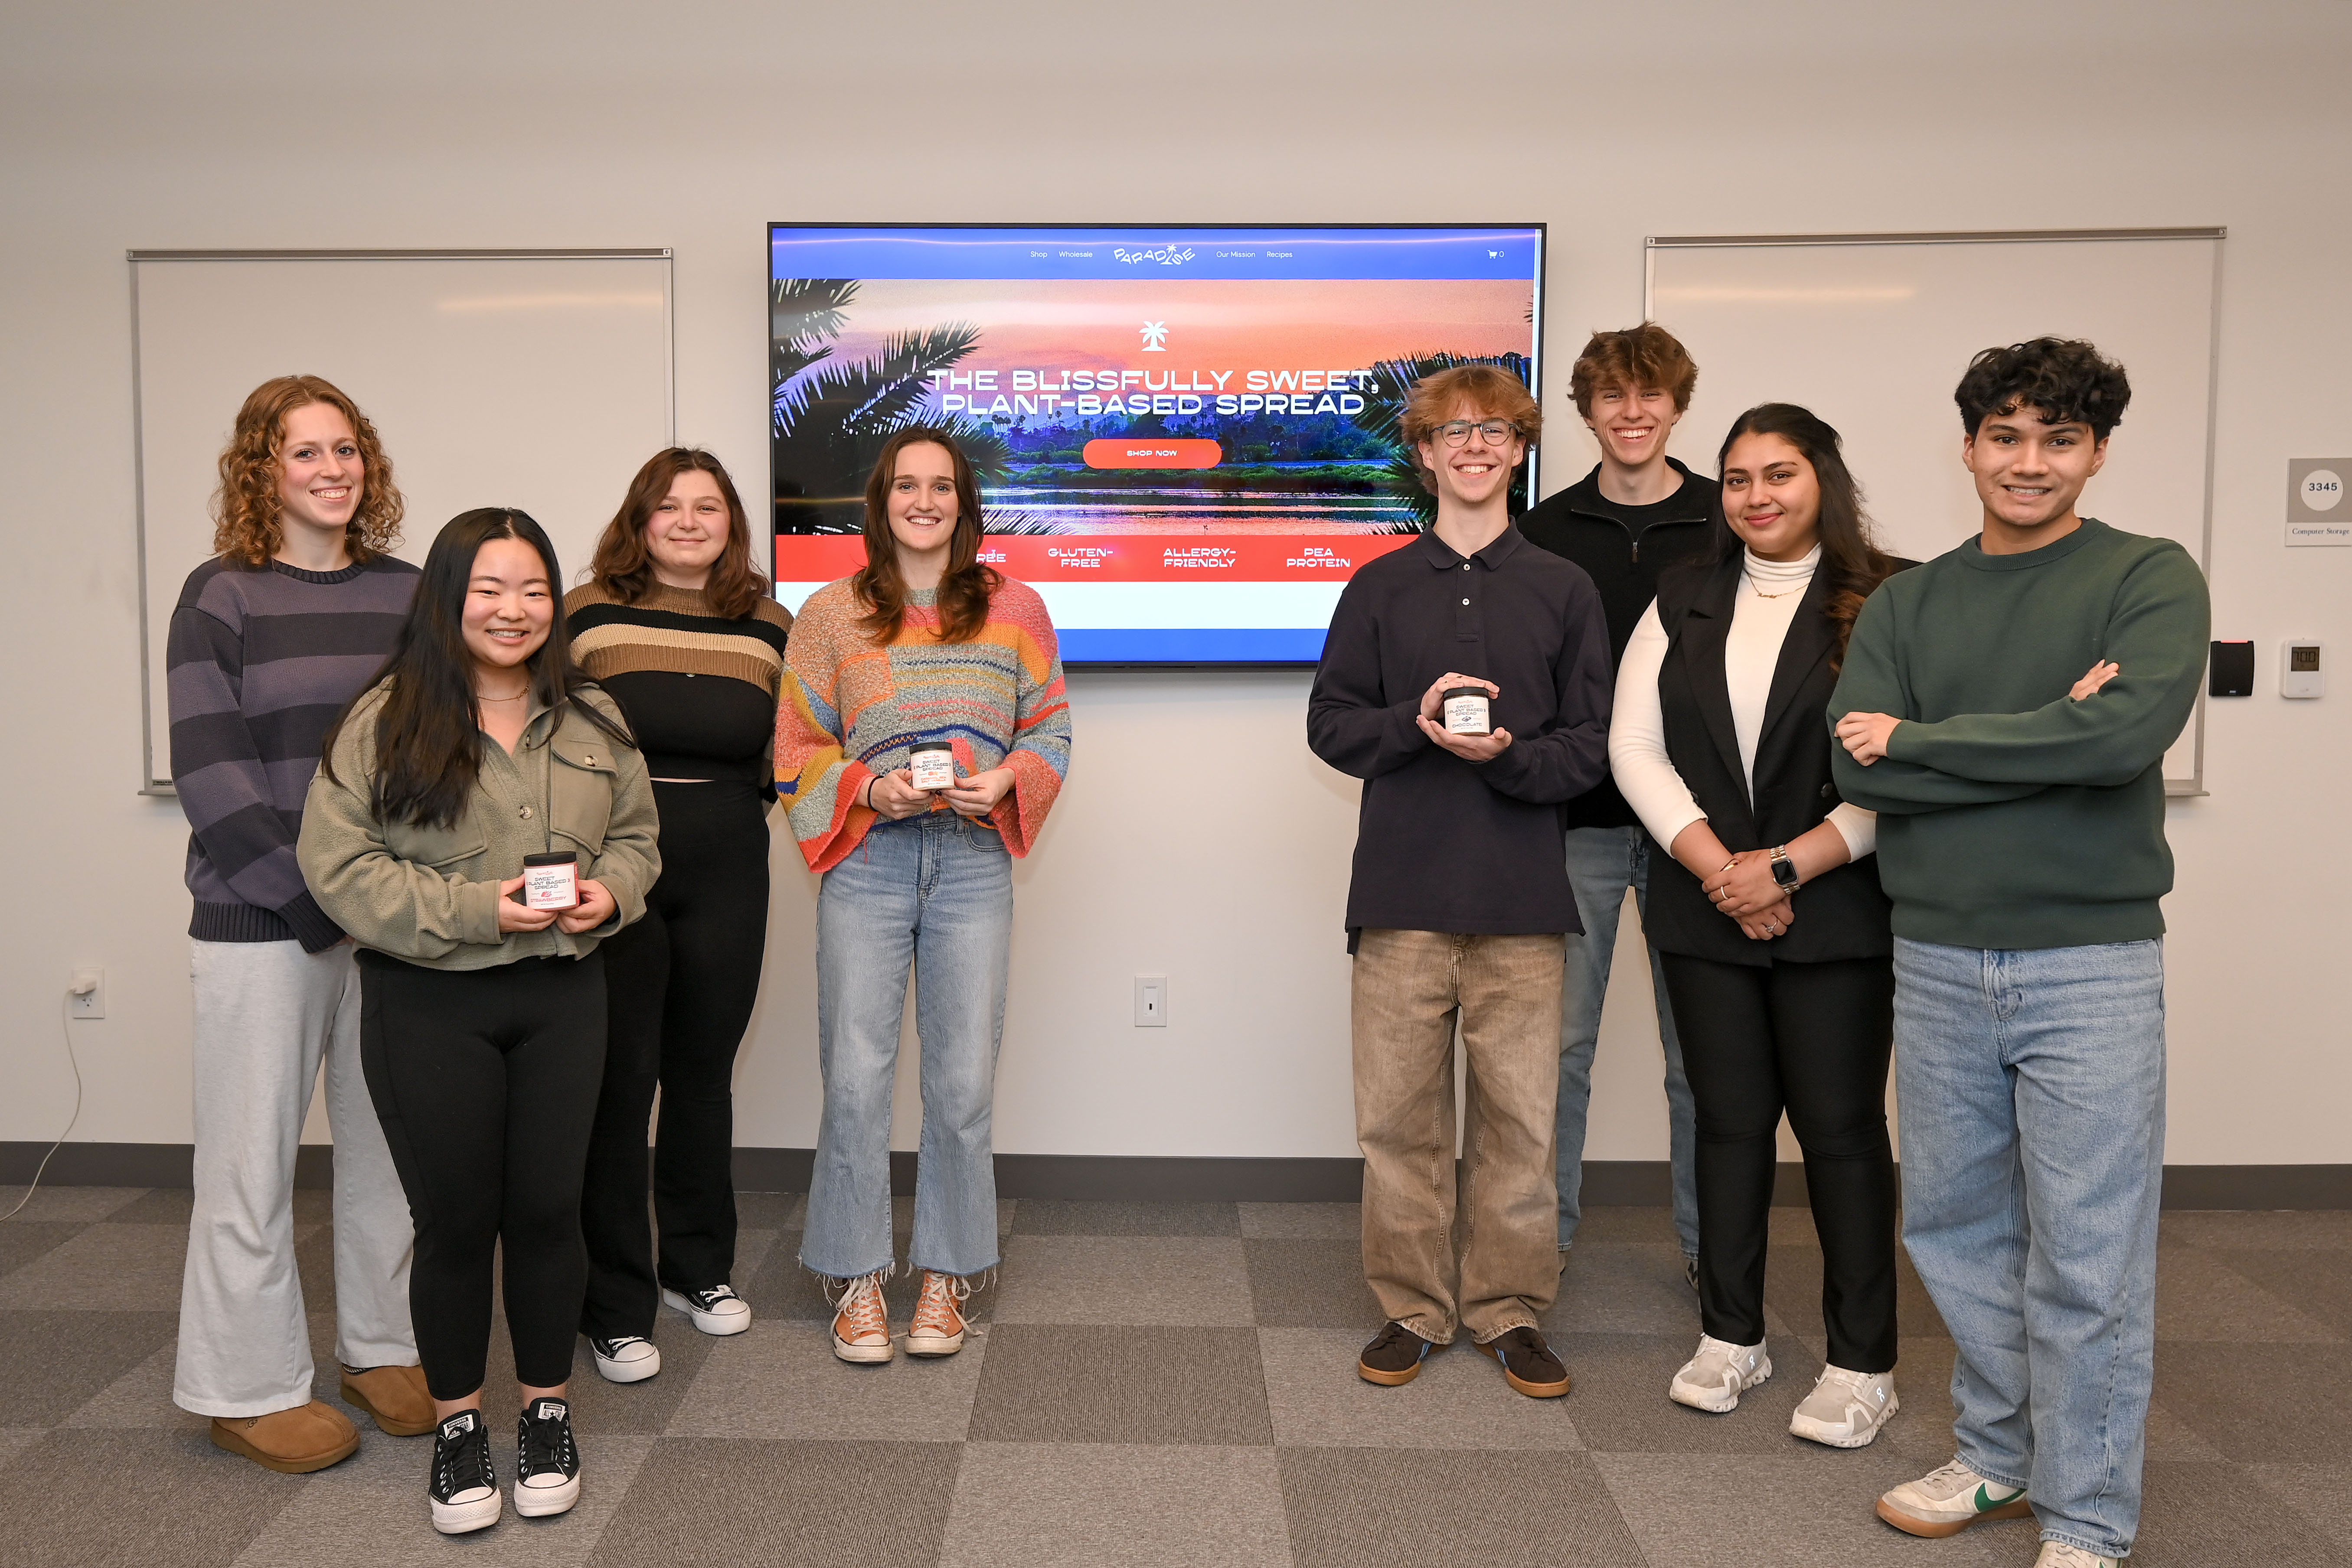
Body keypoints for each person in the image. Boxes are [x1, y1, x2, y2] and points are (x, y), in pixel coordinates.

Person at [1830, 340, 2207, 1568]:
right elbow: (1853, 768)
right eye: (2006, 436)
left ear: (2097, 454)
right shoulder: (1907, 603)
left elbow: (2121, 742)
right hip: (1936, 956)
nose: (2029, 462)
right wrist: (2052, 730)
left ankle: (2088, 1513)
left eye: (2059, 439)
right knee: (1953, 1231)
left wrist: (1922, 741)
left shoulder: (2148, 576)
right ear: (1969, 446)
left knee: (2089, 1254)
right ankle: (1997, 1456)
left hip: (2089, 961)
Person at [299, 509, 660, 1535]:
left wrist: (610, 893)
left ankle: (546, 1414)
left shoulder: (594, 716)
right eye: (490, 589)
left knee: (548, 1213)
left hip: (564, 996)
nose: (515, 610)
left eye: (535, 589)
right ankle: (459, 1425)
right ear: (447, 598)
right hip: (429, 1003)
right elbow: (338, 867)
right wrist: (473, 909)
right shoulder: (385, 719)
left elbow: (639, 838)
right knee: (456, 1223)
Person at [1307, 364, 1611, 1399]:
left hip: (1523, 908)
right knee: (1399, 1126)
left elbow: (1592, 747)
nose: (1474, 446)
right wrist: (1415, 723)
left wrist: (1511, 757)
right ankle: (1412, 1309)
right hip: (1400, 903)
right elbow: (1332, 728)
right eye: (1453, 431)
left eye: (1495, 430)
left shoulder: (1565, 588)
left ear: (1520, 450)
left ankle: (1509, 1311)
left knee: (1521, 1128)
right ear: (1426, 454)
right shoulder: (1378, 587)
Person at [1610, 404, 1908, 1446]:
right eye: (1737, 479)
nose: (1756, 496)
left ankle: (1863, 1363)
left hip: (1840, 910)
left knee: (1841, 1133)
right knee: (1728, 1125)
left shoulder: (1892, 595)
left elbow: (1906, 764)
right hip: (1706, 911)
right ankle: (1731, 1336)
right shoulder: (1682, 594)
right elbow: (1635, 747)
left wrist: (1783, 868)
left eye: (1779, 474)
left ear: (1824, 478)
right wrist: (1723, 871)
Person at [166, 375, 429, 1472]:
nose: (332, 470)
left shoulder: (411, 594)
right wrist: (323, 901)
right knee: (249, 1166)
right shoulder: (220, 597)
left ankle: (383, 1346)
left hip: (393, 922)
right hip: (262, 919)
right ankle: (245, 1387)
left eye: (346, 449)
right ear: (262, 471)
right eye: (305, 453)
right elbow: (211, 773)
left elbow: (436, 751)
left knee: (392, 1152)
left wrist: (402, 897)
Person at [774, 426, 1071, 1364]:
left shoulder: (1017, 607)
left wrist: (1007, 778)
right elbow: (796, 746)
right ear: (882, 501)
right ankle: (856, 1278)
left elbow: (1051, 731)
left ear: (964, 505)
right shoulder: (829, 613)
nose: (924, 501)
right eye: (907, 485)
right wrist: (869, 788)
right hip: (868, 860)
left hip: (973, 861)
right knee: (856, 1075)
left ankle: (947, 1274)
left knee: (963, 1081)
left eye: (942, 487)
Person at [567, 450, 793, 1383]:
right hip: (617, 874)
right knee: (620, 1086)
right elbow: (546, 738)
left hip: (728, 869)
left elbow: (787, 749)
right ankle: (613, 1307)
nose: (689, 522)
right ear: (641, 519)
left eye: (709, 507)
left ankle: (696, 1270)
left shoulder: (769, 622)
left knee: (702, 1077)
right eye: (669, 506)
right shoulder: (586, 613)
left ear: (731, 524)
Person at [1519, 324, 1714, 1282]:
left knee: (1703, 1058)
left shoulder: (1730, 518)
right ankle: (1539, 1244)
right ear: (1587, 411)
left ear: (1677, 405)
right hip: (1578, 827)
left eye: (1650, 395)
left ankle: (1713, 1255)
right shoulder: (1541, 530)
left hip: (1701, 834)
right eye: (1613, 397)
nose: (1633, 414)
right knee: (1557, 1053)